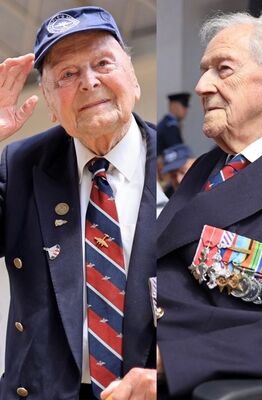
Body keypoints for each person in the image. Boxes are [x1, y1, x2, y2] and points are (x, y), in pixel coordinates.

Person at [155, 11, 262, 398]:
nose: (201, 86)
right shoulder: (205, 169)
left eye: (222, 69)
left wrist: (178, 357)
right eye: (203, 71)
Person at [0, 7, 156, 400]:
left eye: (103, 62)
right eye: (67, 74)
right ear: (51, 105)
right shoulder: (19, 166)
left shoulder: (184, 168)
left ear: (133, 78)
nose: (89, 82)